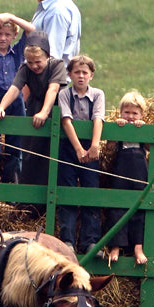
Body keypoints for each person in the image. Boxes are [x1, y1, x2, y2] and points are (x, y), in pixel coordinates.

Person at [0, 30, 67, 187]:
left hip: (55, 109)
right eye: (30, 62)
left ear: (47, 56)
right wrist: (1, 107)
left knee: (53, 155)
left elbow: (53, 89)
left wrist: (44, 112)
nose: (34, 66)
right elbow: (14, 88)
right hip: (34, 109)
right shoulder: (25, 68)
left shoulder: (57, 65)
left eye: (38, 61)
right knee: (30, 155)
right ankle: (27, 203)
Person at [57, 54, 105, 255]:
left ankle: (90, 240)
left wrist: (94, 145)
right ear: (69, 74)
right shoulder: (64, 95)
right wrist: (78, 148)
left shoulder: (97, 95)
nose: (81, 76)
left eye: (85, 72)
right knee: (67, 191)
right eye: (76, 72)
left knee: (90, 191)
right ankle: (67, 240)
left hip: (90, 147)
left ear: (91, 75)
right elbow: (66, 120)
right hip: (69, 147)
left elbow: (98, 119)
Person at [0, 14, 32, 182]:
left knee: (16, 148)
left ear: (14, 36)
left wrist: (10, 17)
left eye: (7, 34)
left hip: (16, 103)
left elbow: (31, 30)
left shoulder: (18, 52)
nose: (3, 38)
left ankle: (11, 187)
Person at [107, 90, 149, 266]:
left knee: (139, 209)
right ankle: (116, 245)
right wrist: (117, 128)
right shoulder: (119, 126)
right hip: (121, 171)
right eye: (127, 112)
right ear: (120, 113)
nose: (130, 117)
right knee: (117, 206)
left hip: (139, 171)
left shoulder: (144, 127)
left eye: (134, 113)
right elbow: (109, 148)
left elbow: (150, 146)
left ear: (141, 114)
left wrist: (144, 130)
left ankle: (137, 247)